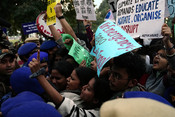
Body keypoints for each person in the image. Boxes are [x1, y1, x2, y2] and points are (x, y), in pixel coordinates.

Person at [29, 55, 112, 117]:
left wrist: (39, 76)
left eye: (88, 89)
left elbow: (67, 108)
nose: (84, 87)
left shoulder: (97, 113)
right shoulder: (83, 101)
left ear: (96, 100)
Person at [141, 23, 175, 96]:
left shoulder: (168, 78)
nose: (156, 57)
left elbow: (173, 61)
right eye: (156, 54)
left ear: (169, 63)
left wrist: (167, 41)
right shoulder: (151, 72)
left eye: (162, 56)